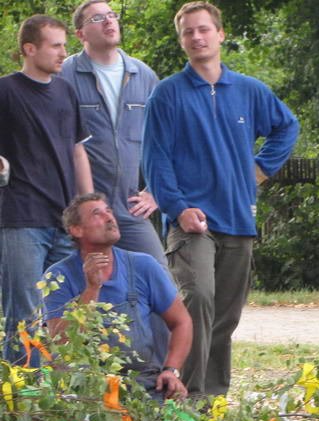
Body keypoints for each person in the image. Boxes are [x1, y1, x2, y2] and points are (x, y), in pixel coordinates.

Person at [143, 1, 298, 398]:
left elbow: (286, 126)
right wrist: (179, 209)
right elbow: (155, 161)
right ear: (182, 41)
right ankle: (185, 401)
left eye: (203, 29)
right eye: (188, 32)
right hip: (191, 222)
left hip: (239, 219)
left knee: (225, 318)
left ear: (220, 34)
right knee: (197, 299)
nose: (197, 37)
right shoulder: (167, 94)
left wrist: (260, 170)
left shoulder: (248, 90)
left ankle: (212, 404)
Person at [0, 15, 93, 365]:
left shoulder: (66, 90)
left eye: (64, 45)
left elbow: (77, 149)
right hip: (20, 219)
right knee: (23, 315)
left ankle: (58, 400)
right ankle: (21, 403)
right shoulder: (5, 90)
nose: (63, 53)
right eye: (55, 45)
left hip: (64, 220)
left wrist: (89, 204)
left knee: (65, 312)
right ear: (29, 48)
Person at [44, 193, 192, 400]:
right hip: (84, 389)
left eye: (109, 211)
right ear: (76, 230)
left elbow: (182, 322)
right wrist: (91, 289)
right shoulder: (58, 276)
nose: (109, 218)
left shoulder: (143, 265)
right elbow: (63, 343)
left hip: (142, 383)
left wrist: (171, 370)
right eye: (97, 214)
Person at [61, 0, 166, 266]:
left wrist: (154, 191)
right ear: (80, 34)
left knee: (160, 281)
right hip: (75, 209)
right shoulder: (64, 75)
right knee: (81, 288)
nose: (108, 21)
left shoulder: (143, 75)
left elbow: (164, 140)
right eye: (97, 19)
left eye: (111, 15)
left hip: (128, 208)